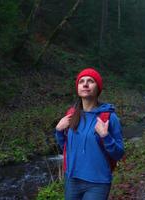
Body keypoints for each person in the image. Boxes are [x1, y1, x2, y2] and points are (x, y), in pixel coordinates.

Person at [55, 68, 125, 200]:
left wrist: (105, 136)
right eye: (81, 81)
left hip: (98, 183)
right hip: (72, 180)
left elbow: (119, 153)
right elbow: (66, 147)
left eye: (90, 81)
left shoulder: (109, 117)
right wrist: (59, 131)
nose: (85, 84)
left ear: (98, 88)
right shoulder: (71, 115)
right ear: (78, 88)